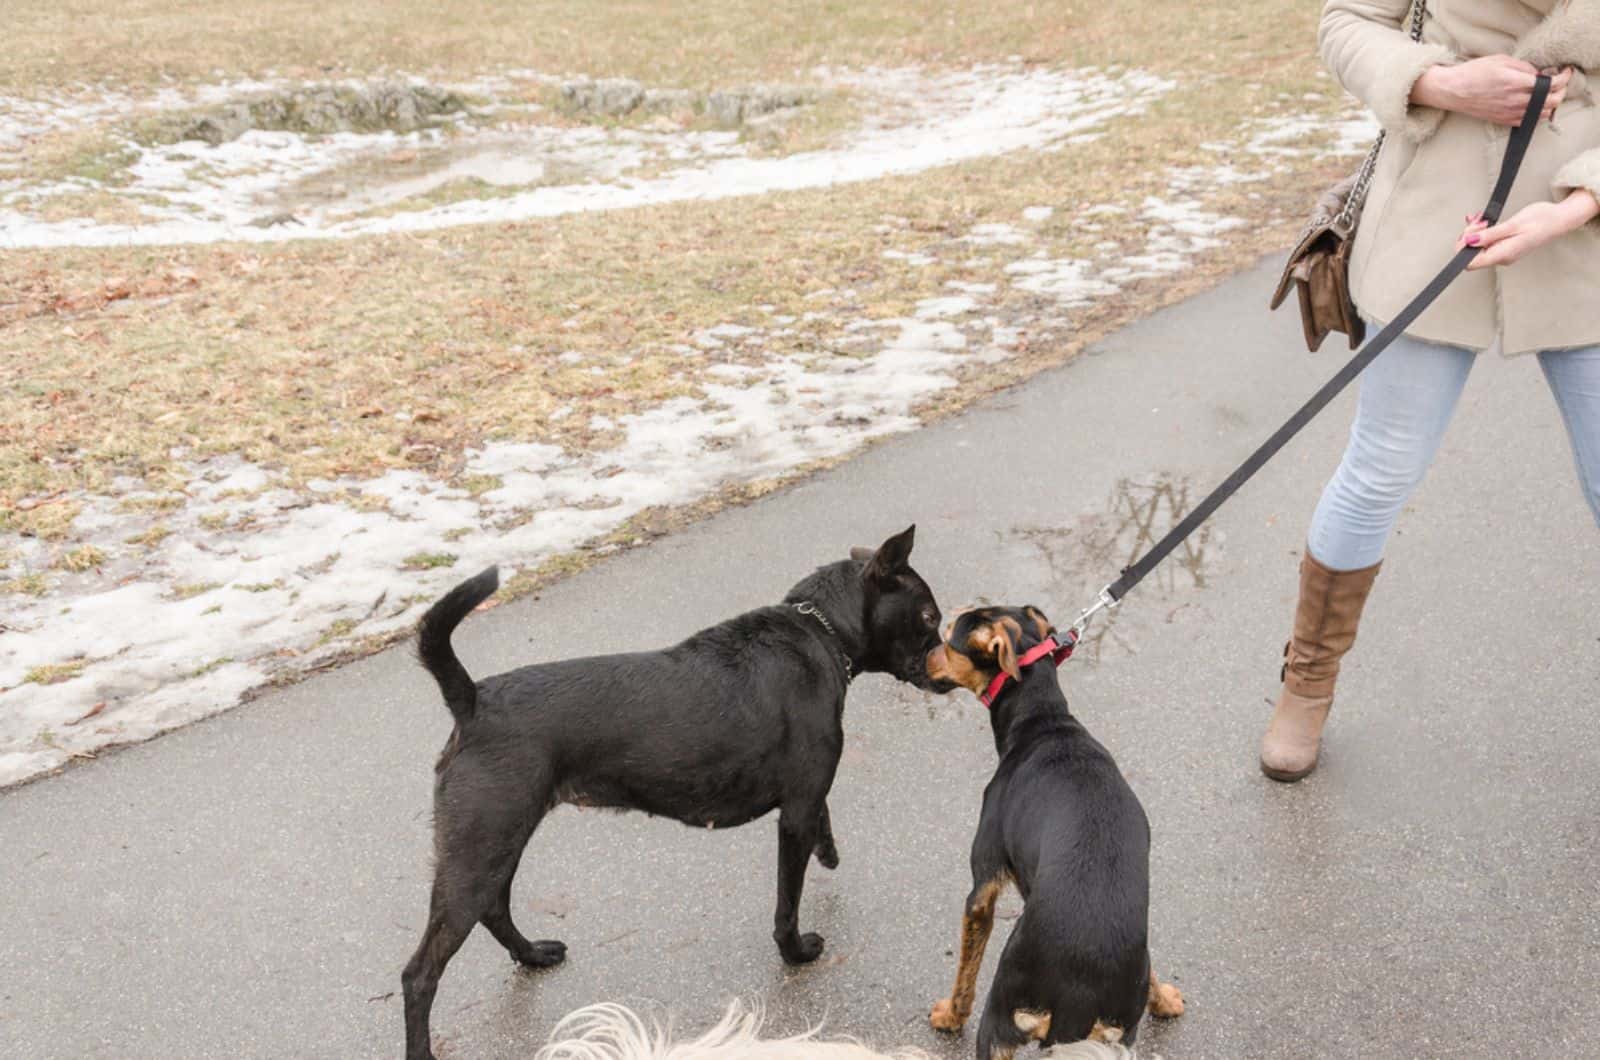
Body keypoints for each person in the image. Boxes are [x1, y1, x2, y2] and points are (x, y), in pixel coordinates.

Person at [1260, 0, 1600, 782]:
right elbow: (1346, 22)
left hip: (1585, 232)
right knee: (1380, 469)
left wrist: (1579, 203)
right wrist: (1441, 84)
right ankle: (1306, 685)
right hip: (1433, 221)